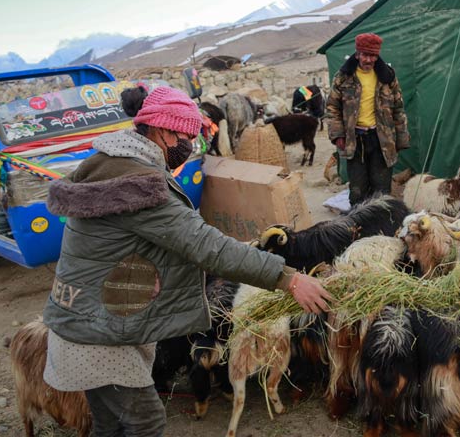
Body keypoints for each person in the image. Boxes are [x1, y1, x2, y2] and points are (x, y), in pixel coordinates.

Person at [41, 85, 332, 436]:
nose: (191, 145)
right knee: (144, 421)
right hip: (98, 332)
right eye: (187, 136)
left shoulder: (114, 164)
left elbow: (172, 238)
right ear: (163, 131)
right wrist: (291, 279)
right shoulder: (137, 184)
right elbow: (206, 247)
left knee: (109, 423)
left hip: (82, 316)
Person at [327, 32, 410, 206]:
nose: (368, 60)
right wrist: (338, 135)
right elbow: (332, 107)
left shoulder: (387, 77)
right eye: (365, 55)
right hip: (355, 140)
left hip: (382, 140)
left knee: (381, 190)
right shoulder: (343, 77)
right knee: (358, 191)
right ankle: (358, 228)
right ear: (357, 54)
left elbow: (398, 108)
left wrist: (401, 139)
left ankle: (381, 226)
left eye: (373, 55)